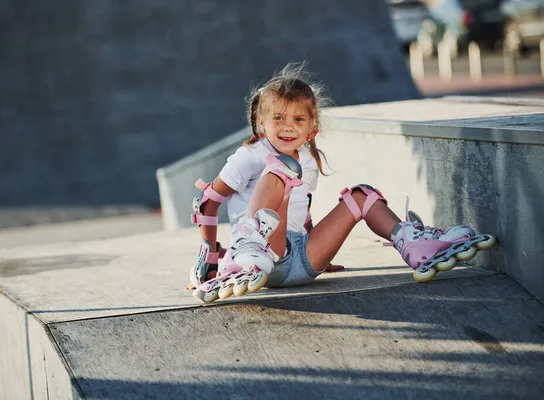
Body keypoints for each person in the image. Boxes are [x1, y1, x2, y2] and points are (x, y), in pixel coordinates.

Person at [188, 62, 497, 303]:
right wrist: (209, 257)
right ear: (261, 123)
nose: (287, 127)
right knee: (279, 172)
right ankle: (249, 248)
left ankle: (414, 245)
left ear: (312, 127)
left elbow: (301, 212)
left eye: (298, 119)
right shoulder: (250, 156)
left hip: (302, 260)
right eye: (278, 118)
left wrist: (321, 246)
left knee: (361, 195)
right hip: (262, 257)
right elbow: (207, 203)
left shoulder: (306, 160)